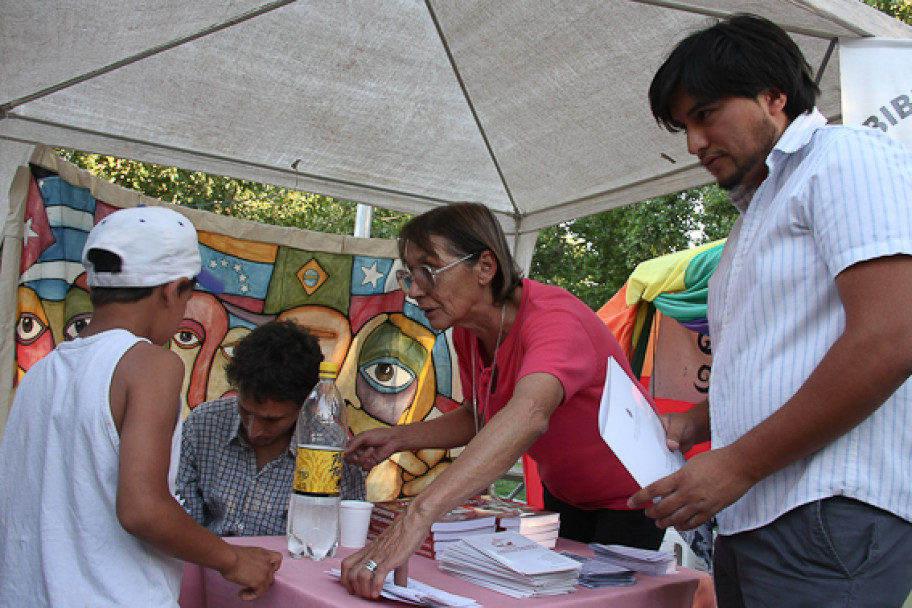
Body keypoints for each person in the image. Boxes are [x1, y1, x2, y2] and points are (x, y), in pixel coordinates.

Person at [628, 14, 912, 607]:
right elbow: (784, 353)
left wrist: (738, 464)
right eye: (684, 126)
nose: (694, 144)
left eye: (705, 114)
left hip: (826, 509)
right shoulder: (759, 210)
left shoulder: (845, 157)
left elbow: (894, 333)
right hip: (756, 513)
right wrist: (698, 423)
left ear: (773, 96)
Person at [340, 202, 663, 599]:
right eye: (409, 275)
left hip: (631, 500)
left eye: (429, 271)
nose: (415, 290)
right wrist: (399, 439)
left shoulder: (554, 318)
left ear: (485, 267)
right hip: (564, 495)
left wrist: (418, 517)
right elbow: (481, 415)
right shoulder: (468, 332)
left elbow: (528, 413)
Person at [0, 206, 282, 607]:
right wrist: (233, 559)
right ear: (172, 291)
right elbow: (143, 510)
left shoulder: (44, 372)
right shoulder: (149, 363)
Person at [176, 319, 366, 536]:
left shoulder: (331, 451)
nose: (253, 430)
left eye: (272, 420)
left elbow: (344, 540)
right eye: (246, 412)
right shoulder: (204, 424)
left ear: (305, 406)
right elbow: (180, 518)